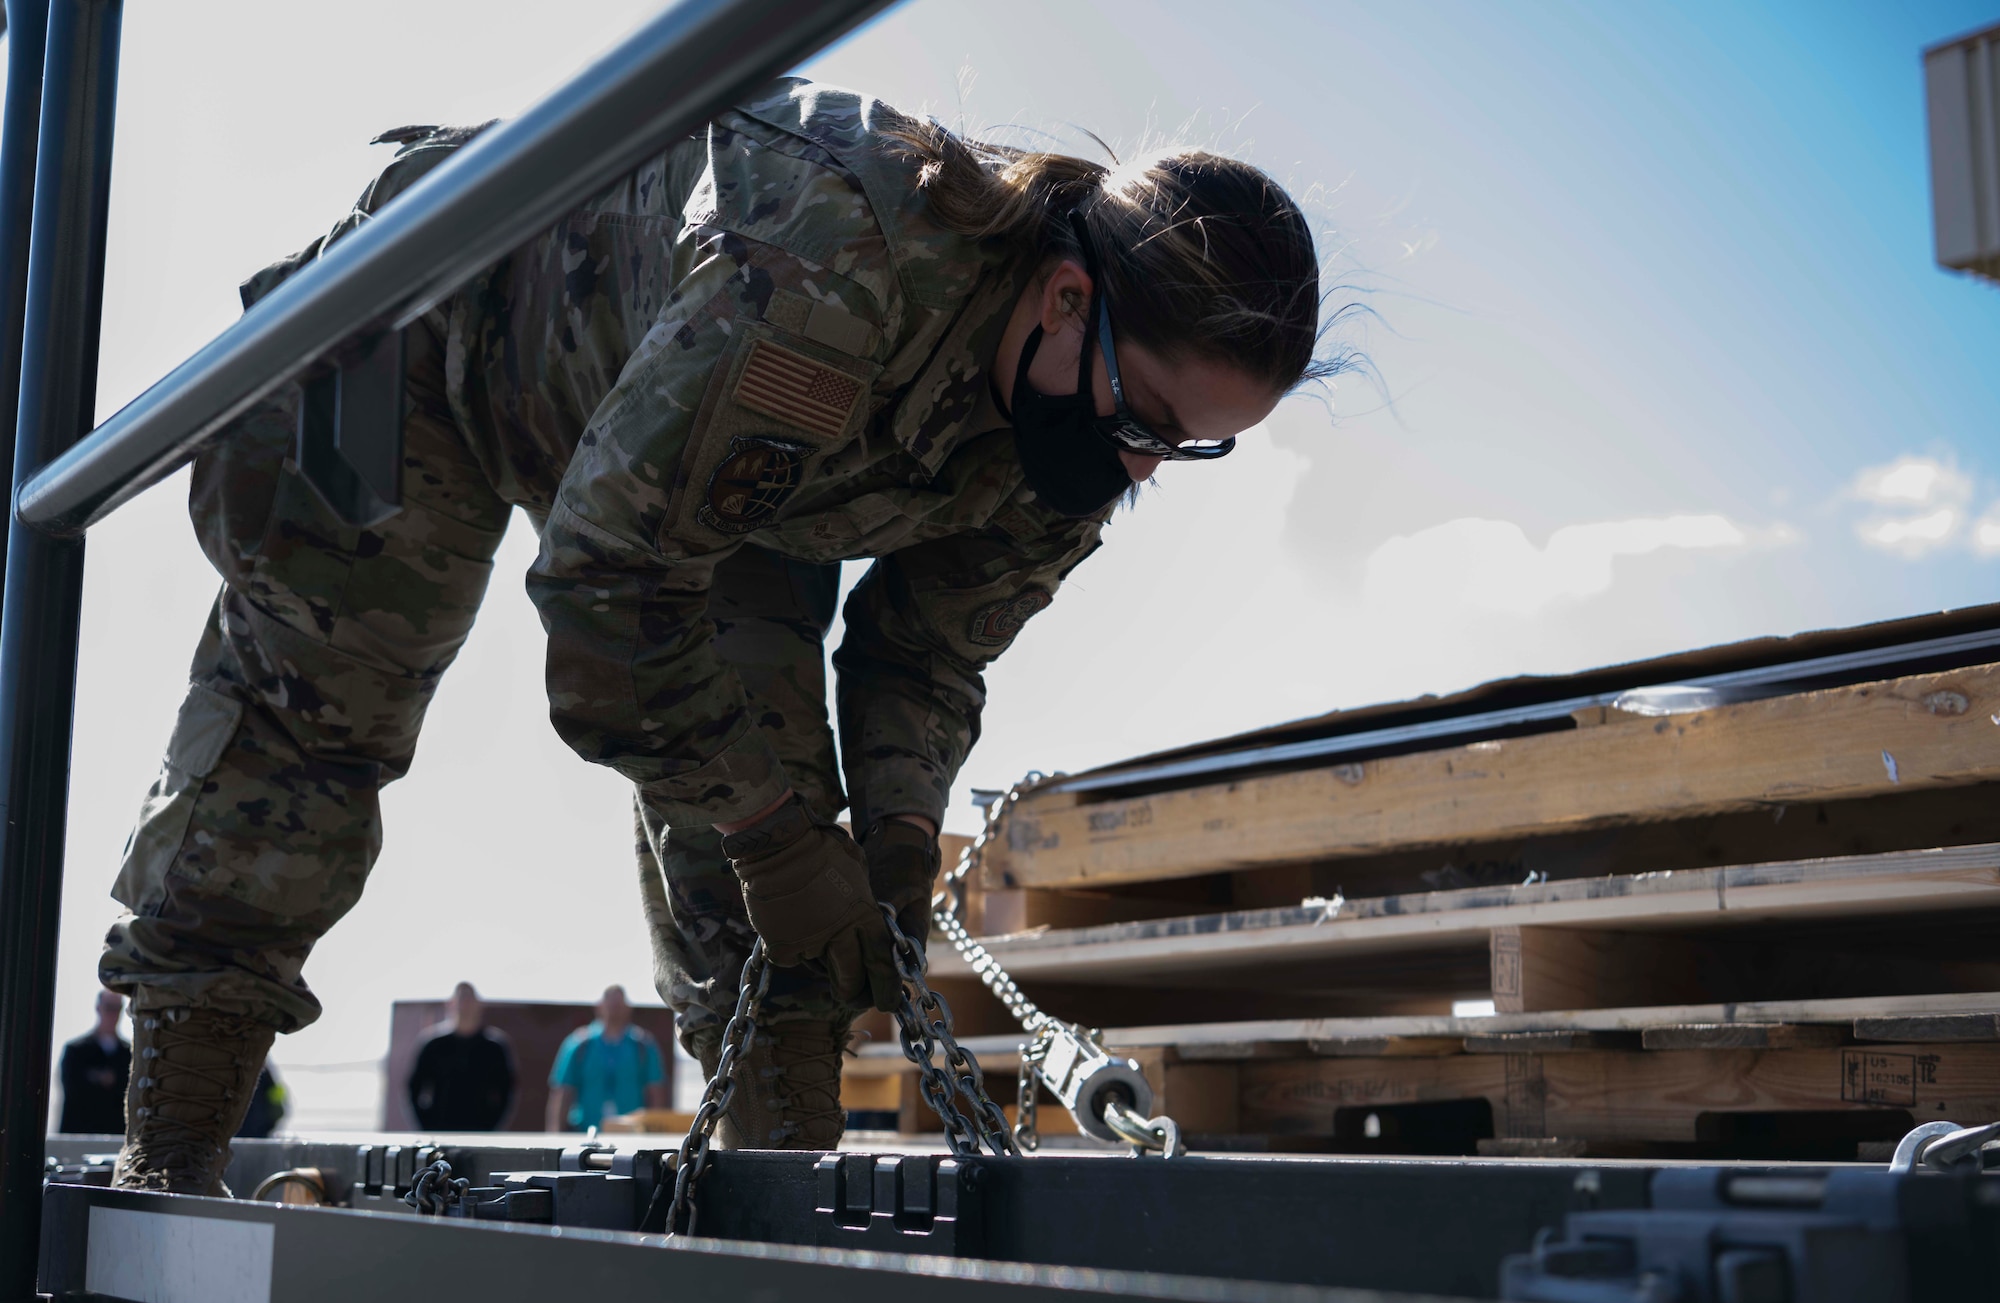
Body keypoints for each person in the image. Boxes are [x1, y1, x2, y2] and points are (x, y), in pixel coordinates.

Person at [97, 76, 1334, 1194]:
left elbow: (928, 653)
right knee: (317, 715)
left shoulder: (1073, 438)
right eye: (1152, 419)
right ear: (1069, 297)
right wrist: (773, 837)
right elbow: (603, 588)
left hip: (707, 475)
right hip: (418, 329)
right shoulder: (833, 264)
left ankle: (784, 1200)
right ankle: (175, 1145)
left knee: (784, 825)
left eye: (1190, 446)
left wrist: (894, 837)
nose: (1145, 466)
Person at [546, 986, 667, 1131]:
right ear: (599, 1007)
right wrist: (555, 1135)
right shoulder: (579, 1044)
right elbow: (562, 1092)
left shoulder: (643, 1045)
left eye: (618, 1005)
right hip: (586, 1132)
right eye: (611, 1004)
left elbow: (656, 1093)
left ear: (628, 1008)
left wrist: (654, 1134)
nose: (614, 1010)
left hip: (632, 1134)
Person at [407, 982, 517, 1132]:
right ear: (451, 1004)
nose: (465, 1006)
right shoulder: (433, 1044)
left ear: (479, 1005)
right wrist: (425, 1125)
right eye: (461, 1000)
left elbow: (507, 1091)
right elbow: (413, 1088)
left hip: (479, 1131)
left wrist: (492, 1127)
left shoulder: (494, 1047)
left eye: (469, 1000)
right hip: (440, 1130)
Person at [58, 990, 130, 1134]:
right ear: (99, 1008)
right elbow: (73, 1090)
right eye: (109, 1008)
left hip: (116, 1136)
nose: (113, 1014)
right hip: (79, 1135)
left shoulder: (129, 1053)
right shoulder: (76, 1050)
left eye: (117, 1009)